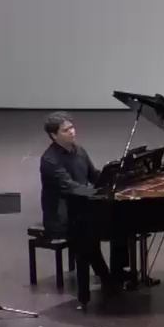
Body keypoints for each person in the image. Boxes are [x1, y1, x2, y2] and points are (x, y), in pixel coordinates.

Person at [39, 112, 122, 289]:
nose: (72, 132)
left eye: (72, 127)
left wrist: (114, 180)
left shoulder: (79, 150)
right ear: (54, 135)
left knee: (120, 225)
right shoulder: (49, 160)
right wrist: (98, 194)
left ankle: (119, 272)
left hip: (83, 205)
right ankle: (105, 276)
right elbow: (69, 187)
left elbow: (94, 176)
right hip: (61, 216)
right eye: (66, 130)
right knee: (87, 233)